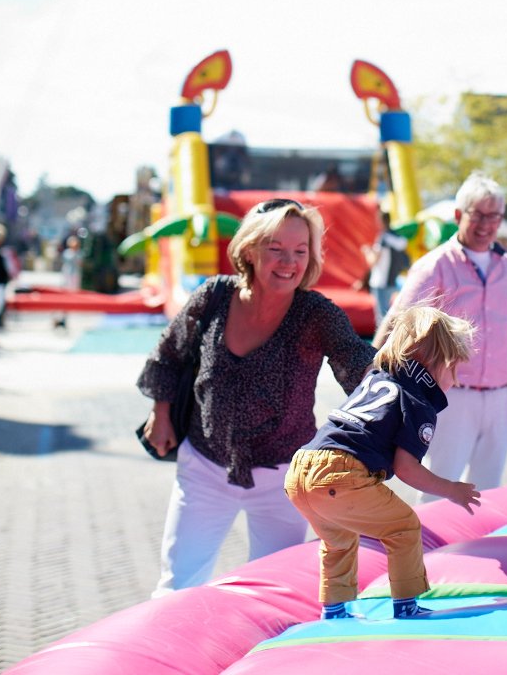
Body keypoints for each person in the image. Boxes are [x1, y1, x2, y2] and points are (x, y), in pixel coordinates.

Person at [137, 198, 375, 597]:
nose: (289, 261)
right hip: (205, 466)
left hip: (282, 477)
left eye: (300, 251)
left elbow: (357, 365)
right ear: (250, 249)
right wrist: (161, 415)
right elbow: (168, 355)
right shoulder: (213, 296)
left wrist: (400, 384)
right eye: (275, 248)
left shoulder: (317, 313)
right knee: (177, 586)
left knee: (272, 590)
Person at [285, 305, 481, 620]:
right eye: (454, 368)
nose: (456, 380)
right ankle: (406, 606)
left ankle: (334, 610)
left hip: (300, 470)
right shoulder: (417, 403)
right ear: (433, 363)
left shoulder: (377, 377)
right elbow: (406, 469)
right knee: (404, 527)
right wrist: (451, 489)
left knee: (339, 538)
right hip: (340, 474)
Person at [374, 173, 507, 500]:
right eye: (478, 214)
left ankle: (480, 551)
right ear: (459, 215)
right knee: (438, 485)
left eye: (494, 216)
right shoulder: (436, 265)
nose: (486, 224)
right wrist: (371, 377)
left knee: (488, 489)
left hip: (500, 394)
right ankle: (429, 552)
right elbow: (397, 321)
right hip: (451, 396)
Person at [363, 211, 409, 324]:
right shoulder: (398, 237)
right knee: (390, 315)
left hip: (381, 282)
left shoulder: (383, 238)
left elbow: (373, 260)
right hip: (393, 280)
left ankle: (383, 341)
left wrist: (367, 251)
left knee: (382, 317)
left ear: (381, 222)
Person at [54, 235, 82, 330]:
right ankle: (61, 317)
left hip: (74, 276)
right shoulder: (68, 253)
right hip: (68, 276)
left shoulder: (78, 253)